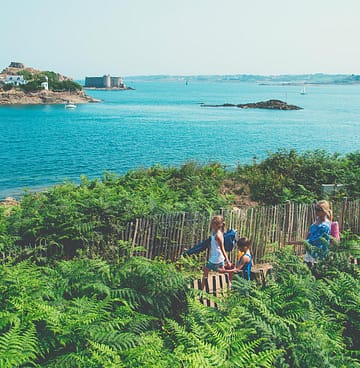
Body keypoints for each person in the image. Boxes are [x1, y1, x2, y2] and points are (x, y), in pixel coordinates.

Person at [201, 215, 231, 289]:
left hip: (216, 258)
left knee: (205, 270)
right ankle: (229, 283)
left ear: (217, 225)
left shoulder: (218, 235)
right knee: (221, 272)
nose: (211, 225)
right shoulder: (214, 232)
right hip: (217, 256)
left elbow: (222, 248)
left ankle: (201, 290)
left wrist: (227, 260)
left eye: (212, 223)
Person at [304, 200, 332, 265]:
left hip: (318, 254)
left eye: (318, 210)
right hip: (311, 251)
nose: (316, 211)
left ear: (324, 212)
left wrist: (297, 242)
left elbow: (314, 240)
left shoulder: (324, 226)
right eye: (315, 209)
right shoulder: (318, 219)